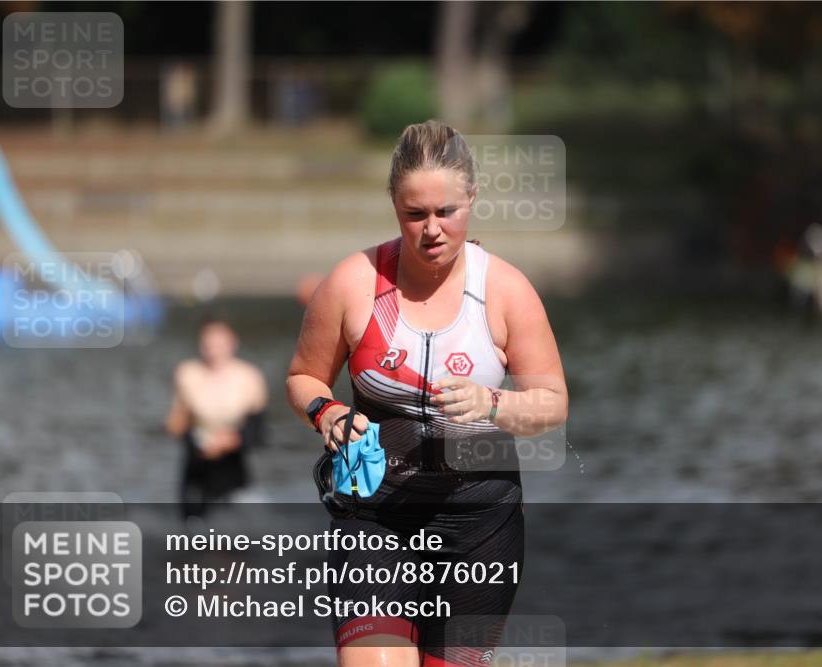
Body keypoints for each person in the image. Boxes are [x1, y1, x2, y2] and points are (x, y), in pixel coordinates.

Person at [287, 120, 568, 667]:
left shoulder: (505, 291)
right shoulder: (352, 283)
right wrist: (328, 411)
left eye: (447, 212)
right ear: (394, 204)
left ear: (472, 199)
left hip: (480, 524)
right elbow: (302, 378)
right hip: (375, 516)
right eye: (415, 214)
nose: (431, 229)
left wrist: (494, 404)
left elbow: (553, 402)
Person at [166, 316, 268, 520]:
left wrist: (231, 440)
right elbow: (174, 426)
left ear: (232, 342)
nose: (213, 350)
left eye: (219, 343)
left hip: (233, 468)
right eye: (208, 344)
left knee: (237, 537)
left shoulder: (249, 377)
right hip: (196, 465)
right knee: (192, 535)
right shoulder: (188, 374)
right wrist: (196, 437)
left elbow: (259, 433)